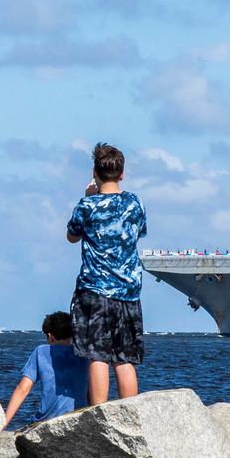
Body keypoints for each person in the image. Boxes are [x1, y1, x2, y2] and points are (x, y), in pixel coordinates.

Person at [67, 143, 148, 405]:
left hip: (95, 289)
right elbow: (139, 233)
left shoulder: (87, 206)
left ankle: (98, 415)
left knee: (97, 356)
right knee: (125, 359)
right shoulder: (135, 203)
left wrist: (89, 196)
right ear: (122, 173)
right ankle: (131, 414)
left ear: (95, 172)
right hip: (128, 291)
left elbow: (71, 236)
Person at [3, 312, 91, 429]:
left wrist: (3, 424)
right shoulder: (85, 355)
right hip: (78, 420)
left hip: (45, 422)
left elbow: (22, 389)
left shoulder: (41, 351)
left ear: (51, 336)